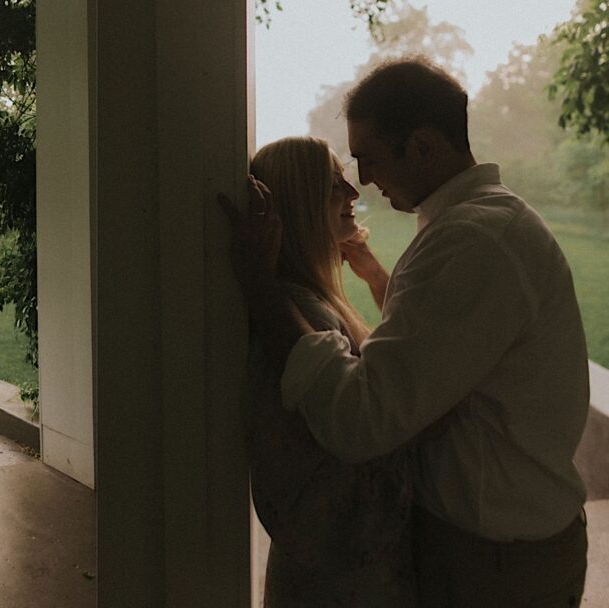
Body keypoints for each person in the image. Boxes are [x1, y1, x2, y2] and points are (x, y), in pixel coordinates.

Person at [223, 56, 589, 607]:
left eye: (366, 159)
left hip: (494, 564)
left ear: (421, 147)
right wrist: (373, 276)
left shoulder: (470, 241)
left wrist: (259, 287)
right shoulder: (486, 223)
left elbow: (360, 419)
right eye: (342, 176)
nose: (361, 182)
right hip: (505, 548)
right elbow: (437, 343)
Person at [246, 137, 415, 606]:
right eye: (332, 184)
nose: (353, 192)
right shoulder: (300, 314)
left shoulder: (312, 304)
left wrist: (376, 278)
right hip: (338, 581)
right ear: (299, 203)